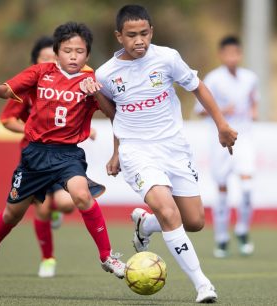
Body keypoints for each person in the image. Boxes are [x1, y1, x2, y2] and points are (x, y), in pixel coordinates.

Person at [92, 5, 237, 303]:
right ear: (119, 36)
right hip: (138, 152)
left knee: (194, 221)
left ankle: (146, 224)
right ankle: (203, 285)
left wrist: (222, 125)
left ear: (152, 32)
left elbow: (198, 87)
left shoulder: (167, 58)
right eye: (131, 35)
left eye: (144, 33)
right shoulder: (106, 74)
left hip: (174, 149)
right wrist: (117, 152)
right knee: (170, 212)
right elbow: (115, 115)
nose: (139, 40)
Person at [0, 21, 125, 290]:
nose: (73, 56)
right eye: (67, 50)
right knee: (11, 215)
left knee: (81, 194)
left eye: (79, 51)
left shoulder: (92, 81)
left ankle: (107, 256)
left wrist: (96, 96)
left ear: (87, 55)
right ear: (56, 52)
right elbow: (9, 90)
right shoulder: (41, 72)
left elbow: (116, 115)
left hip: (68, 155)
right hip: (35, 156)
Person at [0, 35, 97, 278]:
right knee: (40, 210)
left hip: (62, 154)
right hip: (35, 156)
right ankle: (48, 259)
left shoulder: (73, 81)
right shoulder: (30, 87)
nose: (51, 61)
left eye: (52, 57)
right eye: (45, 59)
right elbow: (7, 120)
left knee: (66, 203)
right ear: (36, 64)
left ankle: (57, 213)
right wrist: (32, 128)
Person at [194, 35, 258, 258]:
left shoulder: (250, 78)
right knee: (222, 189)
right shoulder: (213, 79)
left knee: (248, 186)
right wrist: (222, 112)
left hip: (244, 138)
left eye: (236, 53)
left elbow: (253, 100)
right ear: (221, 55)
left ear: (240, 54)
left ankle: (242, 230)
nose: (232, 57)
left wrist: (253, 112)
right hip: (219, 140)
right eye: (228, 53)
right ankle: (221, 238)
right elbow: (199, 109)